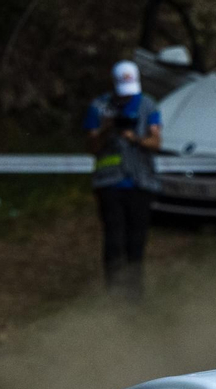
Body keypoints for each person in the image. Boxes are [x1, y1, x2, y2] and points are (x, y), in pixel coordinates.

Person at [83, 60, 162, 298]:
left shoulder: (148, 105)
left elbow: (156, 142)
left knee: (136, 241)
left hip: (141, 182)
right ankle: (114, 292)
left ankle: (135, 293)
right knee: (114, 240)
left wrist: (135, 139)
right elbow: (92, 147)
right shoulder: (98, 107)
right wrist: (107, 129)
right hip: (109, 183)